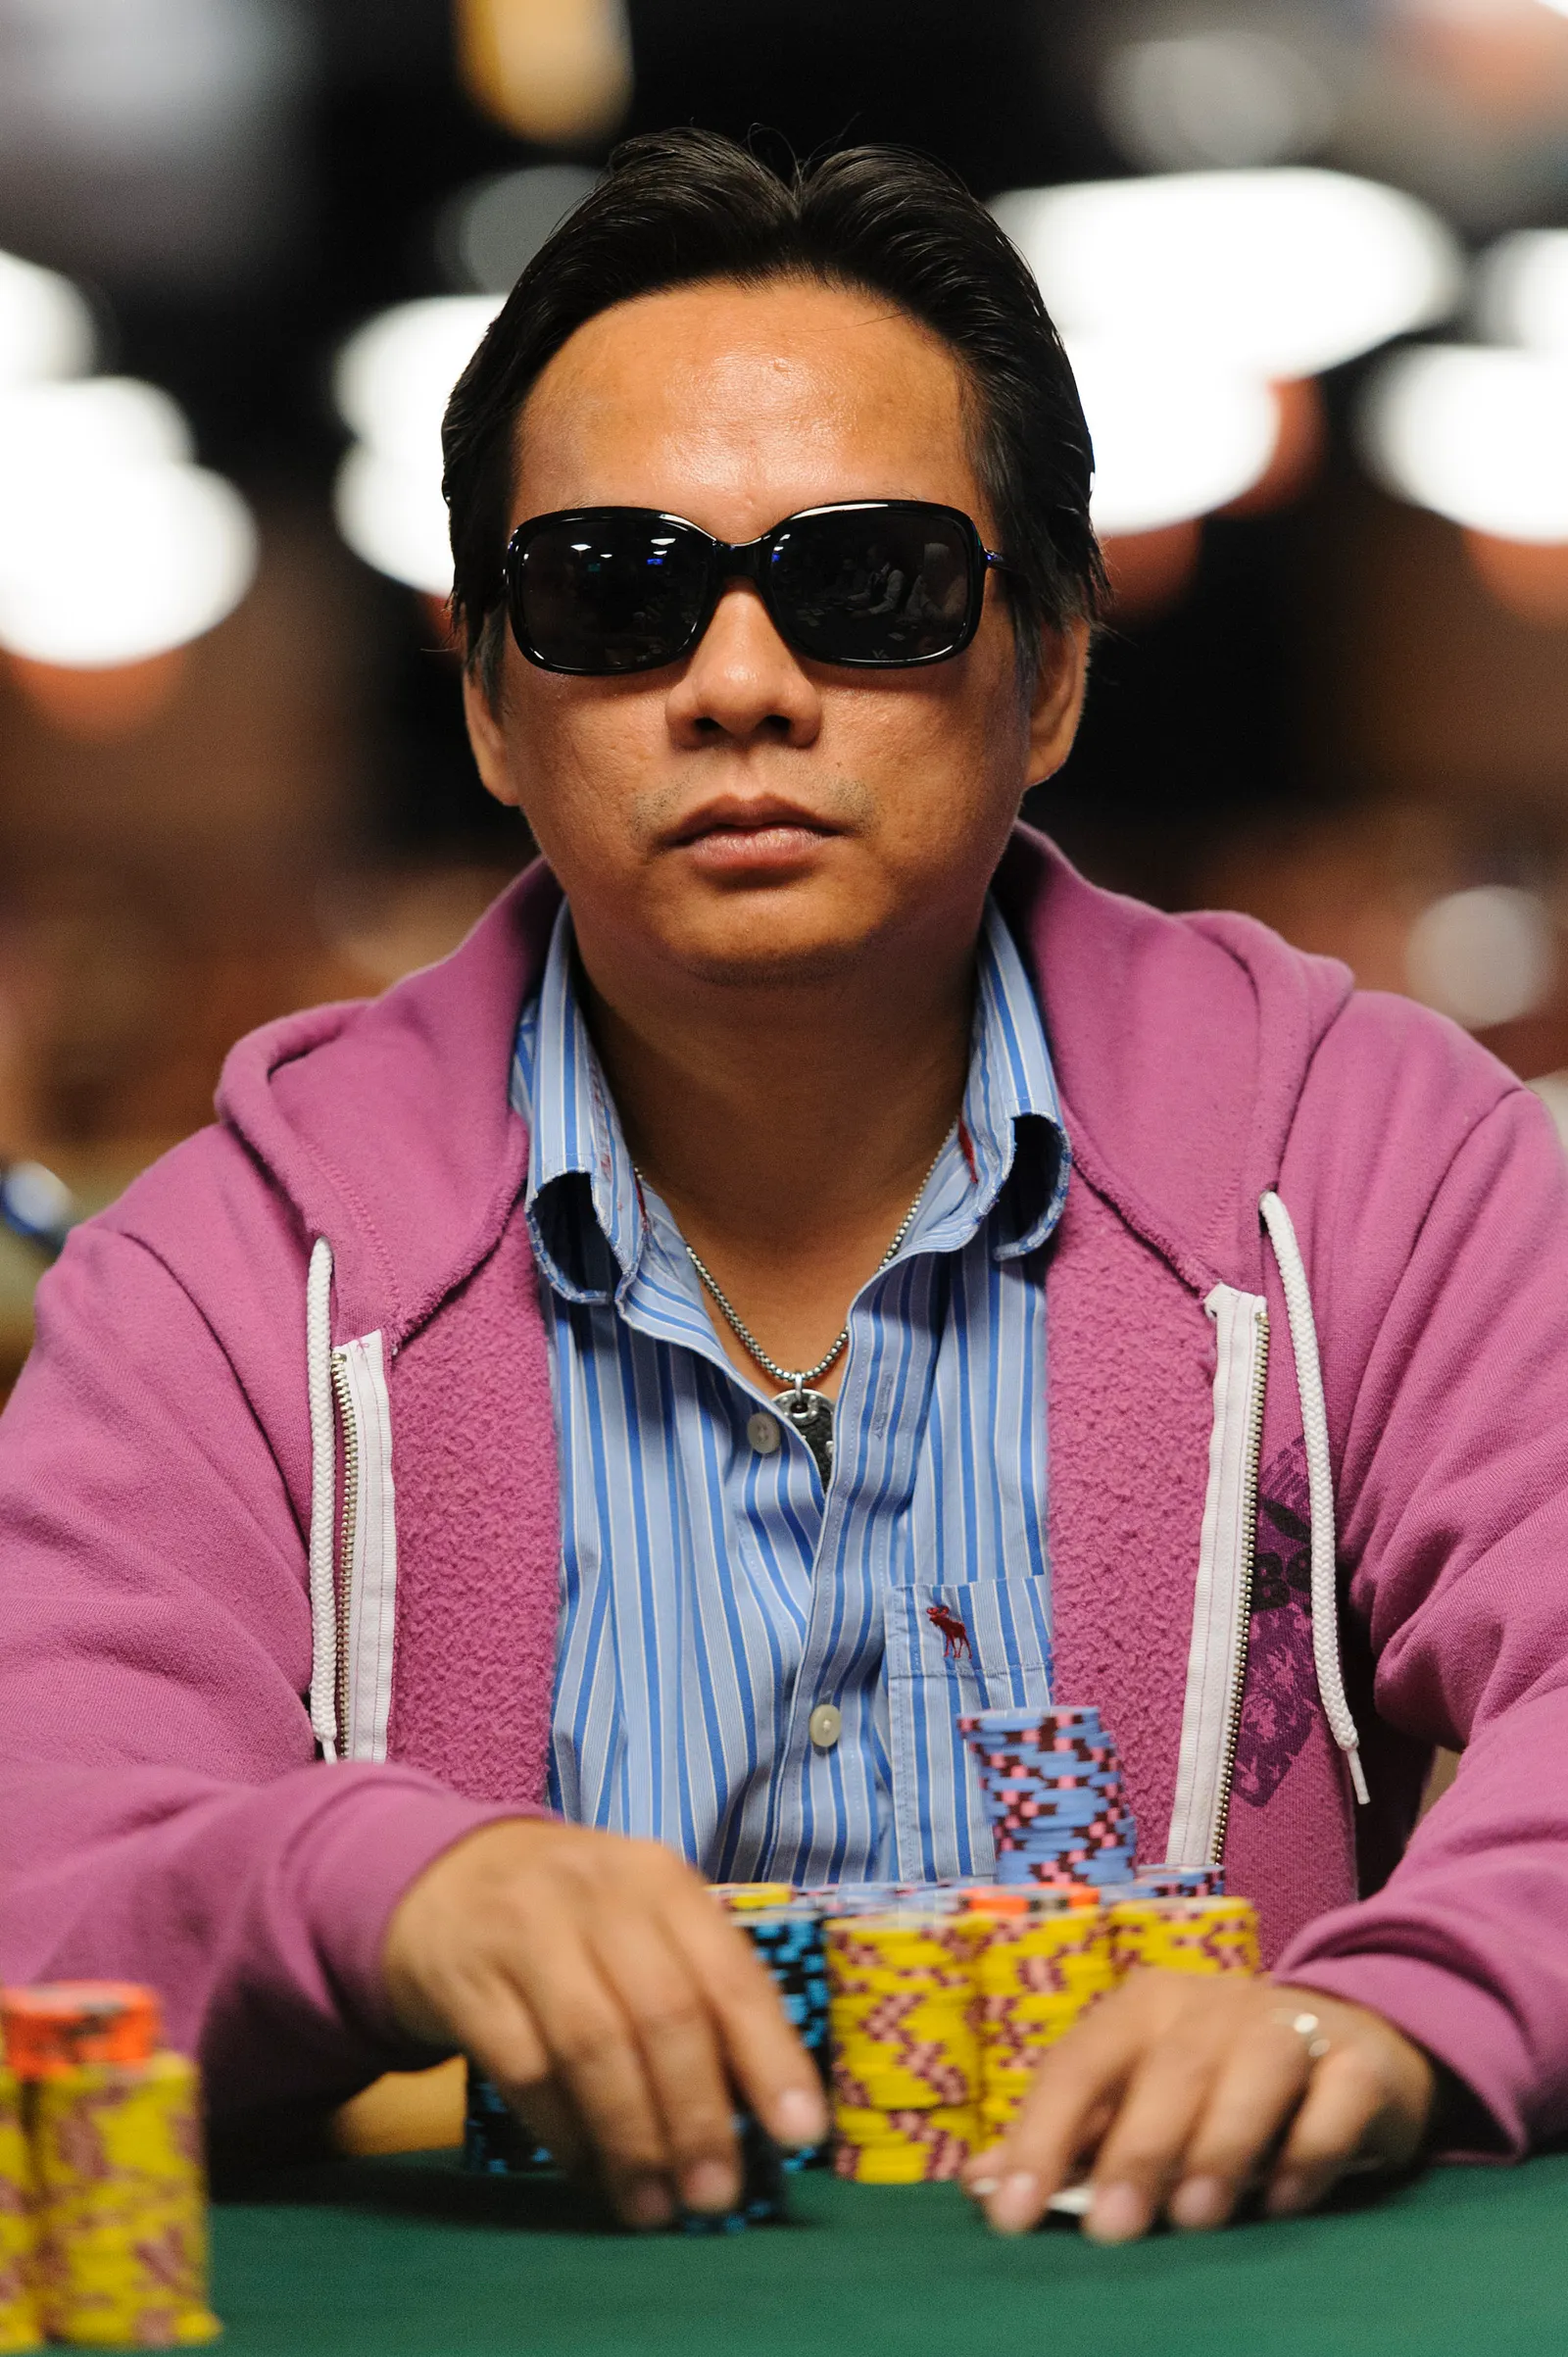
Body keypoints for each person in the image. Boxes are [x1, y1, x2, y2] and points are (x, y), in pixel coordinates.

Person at [3, 129, 1568, 2248]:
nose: (739, 683)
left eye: (869, 585)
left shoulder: (1373, 1161)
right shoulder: (221, 1272)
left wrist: (1392, 2010)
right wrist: (388, 1887)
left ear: (1051, 674)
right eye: (612, 593)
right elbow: (41, 1876)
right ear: (490, 704)